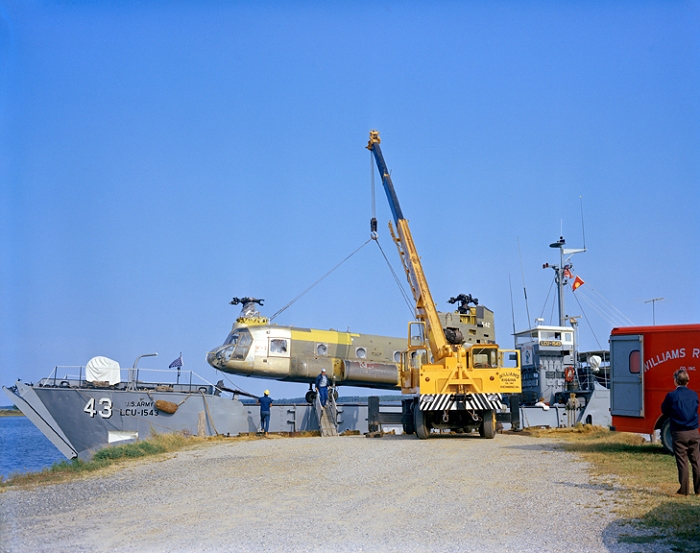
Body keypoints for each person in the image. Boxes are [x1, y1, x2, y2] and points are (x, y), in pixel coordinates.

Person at [661, 369, 700, 496]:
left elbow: (664, 410)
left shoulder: (671, 396)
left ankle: (684, 491)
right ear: (687, 381)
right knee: (696, 461)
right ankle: (699, 490)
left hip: (679, 433)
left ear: (675, 380)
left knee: (682, 461)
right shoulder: (694, 395)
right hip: (694, 432)